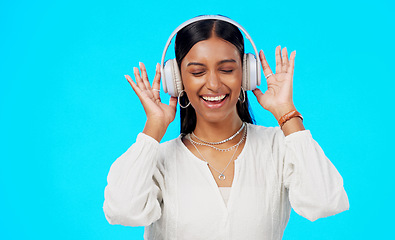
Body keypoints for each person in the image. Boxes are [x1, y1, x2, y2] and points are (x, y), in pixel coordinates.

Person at [103, 15, 349, 239]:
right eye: (198, 72)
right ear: (176, 81)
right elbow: (122, 211)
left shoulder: (278, 147)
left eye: (227, 70)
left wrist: (287, 114)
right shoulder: (159, 159)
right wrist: (153, 128)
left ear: (246, 74)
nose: (213, 84)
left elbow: (325, 202)